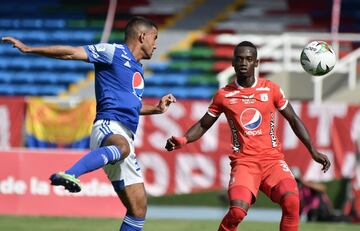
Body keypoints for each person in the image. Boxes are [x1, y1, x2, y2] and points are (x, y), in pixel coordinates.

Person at [3, 16, 176, 231]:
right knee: (122, 147)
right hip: (108, 127)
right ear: (142, 36)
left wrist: (157, 109)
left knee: (138, 209)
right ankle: (70, 173)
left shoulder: (137, 69)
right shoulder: (113, 52)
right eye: (154, 37)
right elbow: (70, 52)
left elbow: (133, 106)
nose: (156, 44)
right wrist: (30, 49)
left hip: (124, 137)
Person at [165, 41, 331, 231]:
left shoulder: (271, 90)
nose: (244, 63)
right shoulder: (224, 95)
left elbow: (293, 119)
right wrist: (184, 140)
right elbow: (203, 124)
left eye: (249, 59)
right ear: (233, 63)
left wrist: (313, 151)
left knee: (292, 202)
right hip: (244, 163)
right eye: (240, 59)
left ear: (257, 63)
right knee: (236, 212)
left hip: (272, 162)